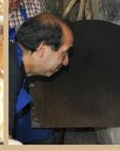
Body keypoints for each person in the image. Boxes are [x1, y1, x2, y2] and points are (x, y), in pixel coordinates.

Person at [9, 13, 74, 144]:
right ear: (42, 49)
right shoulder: (9, 74)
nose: (66, 61)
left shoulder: (16, 60)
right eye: (64, 53)